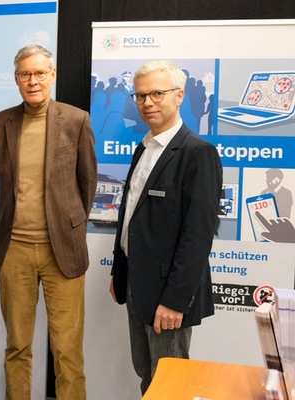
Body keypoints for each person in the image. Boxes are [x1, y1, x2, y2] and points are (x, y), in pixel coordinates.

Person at [0, 44, 97, 399]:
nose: (32, 81)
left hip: (62, 249)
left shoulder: (76, 120)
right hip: (15, 249)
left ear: (52, 75)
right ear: (16, 78)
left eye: (39, 73)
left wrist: (67, 226)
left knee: (67, 350)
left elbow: (87, 183)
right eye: (25, 74)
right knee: (17, 345)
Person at [109, 60, 222, 394]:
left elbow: (197, 236)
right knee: (146, 375)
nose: (148, 102)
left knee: (169, 384)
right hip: (135, 282)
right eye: (141, 95)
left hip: (167, 294)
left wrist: (175, 300)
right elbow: (131, 216)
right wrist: (119, 272)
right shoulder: (144, 148)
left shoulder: (197, 153)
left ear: (179, 95)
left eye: (157, 93)